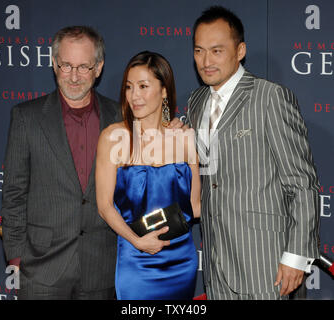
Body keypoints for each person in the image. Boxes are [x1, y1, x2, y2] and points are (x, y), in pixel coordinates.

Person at [185, 6, 320, 300]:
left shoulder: (270, 97)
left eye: (217, 51)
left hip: (267, 262)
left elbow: (302, 184)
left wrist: (296, 256)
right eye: (199, 51)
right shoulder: (196, 102)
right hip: (217, 262)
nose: (206, 61)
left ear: (240, 50)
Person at [1, 26, 121, 300]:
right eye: (66, 65)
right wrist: (17, 259)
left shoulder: (119, 116)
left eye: (83, 67)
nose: (75, 76)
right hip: (42, 269)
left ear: (99, 68)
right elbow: (13, 194)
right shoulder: (26, 117)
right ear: (54, 64)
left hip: (102, 268)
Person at [95, 51, 200, 300]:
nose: (134, 95)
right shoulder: (113, 137)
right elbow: (104, 206)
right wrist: (138, 241)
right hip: (135, 258)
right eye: (129, 87)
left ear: (164, 91)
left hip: (181, 261)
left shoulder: (185, 139)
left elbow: (195, 206)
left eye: (143, 86)